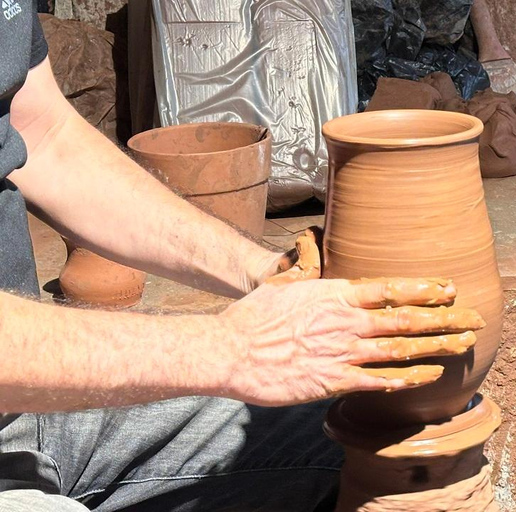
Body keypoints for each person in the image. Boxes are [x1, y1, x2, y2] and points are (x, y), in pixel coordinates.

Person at [0, 3, 483, 511]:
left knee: (398, 431)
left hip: (33, 406)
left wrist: (264, 271)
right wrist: (236, 348)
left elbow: (44, 134)